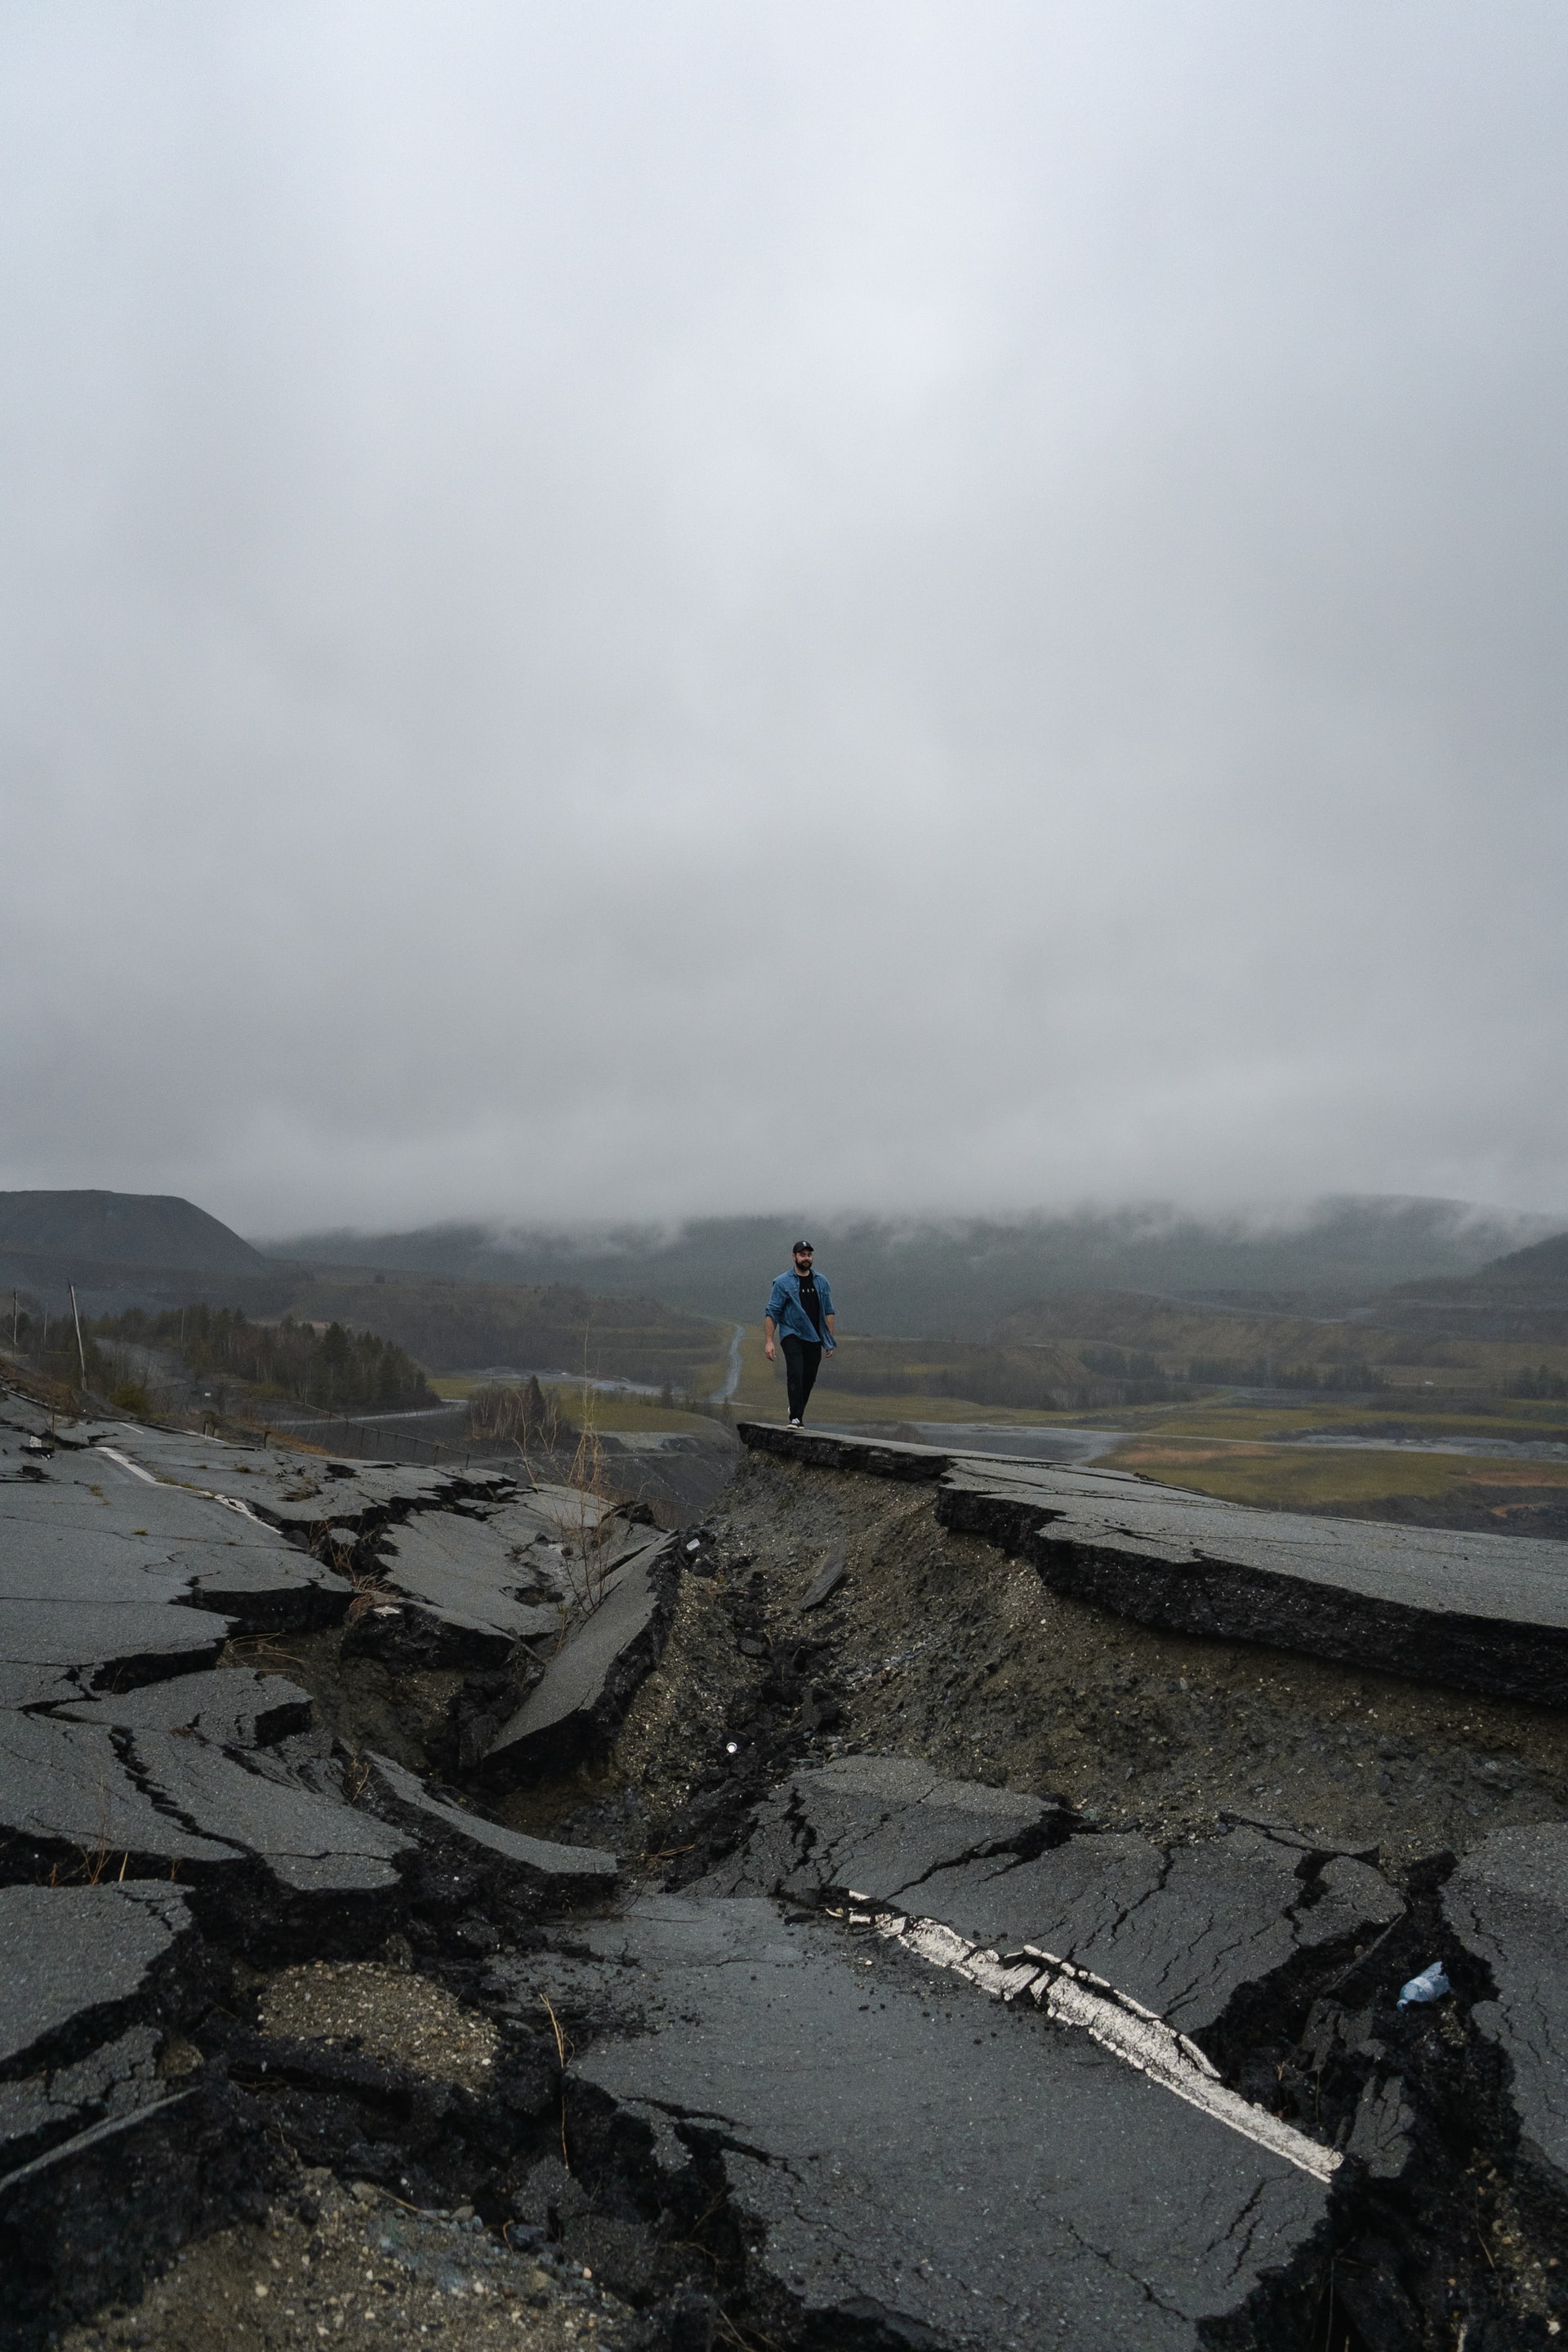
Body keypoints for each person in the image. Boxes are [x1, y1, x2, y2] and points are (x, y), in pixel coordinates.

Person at [764, 1241, 836, 1426]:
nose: (806, 1258)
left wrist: (829, 1339)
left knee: (809, 1378)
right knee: (795, 1372)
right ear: (794, 1257)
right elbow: (772, 1312)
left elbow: (828, 1311)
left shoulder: (821, 1281)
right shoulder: (782, 1282)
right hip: (792, 1334)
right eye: (802, 1255)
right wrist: (769, 1341)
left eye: (809, 1255)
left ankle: (796, 1407)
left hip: (814, 1336)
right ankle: (796, 1418)